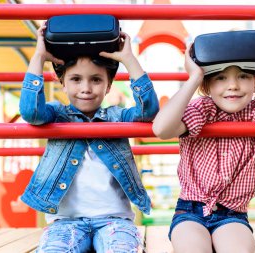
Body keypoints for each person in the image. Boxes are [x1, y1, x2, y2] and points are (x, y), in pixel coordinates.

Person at [152, 33, 255, 253]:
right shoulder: (203, 109)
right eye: (221, 78)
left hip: (232, 214)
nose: (233, 86)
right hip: (190, 210)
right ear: (206, 85)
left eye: (244, 76)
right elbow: (161, 129)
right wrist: (193, 78)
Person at [19, 22, 159, 253]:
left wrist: (129, 60)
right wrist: (39, 56)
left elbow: (148, 111)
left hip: (114, 221)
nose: (86, 88)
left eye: (96, 79)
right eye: (76, 79)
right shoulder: (57, 115)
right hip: (66, 221)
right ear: (62, 83)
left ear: (108, 85)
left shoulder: (117, 116)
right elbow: (31, 112)